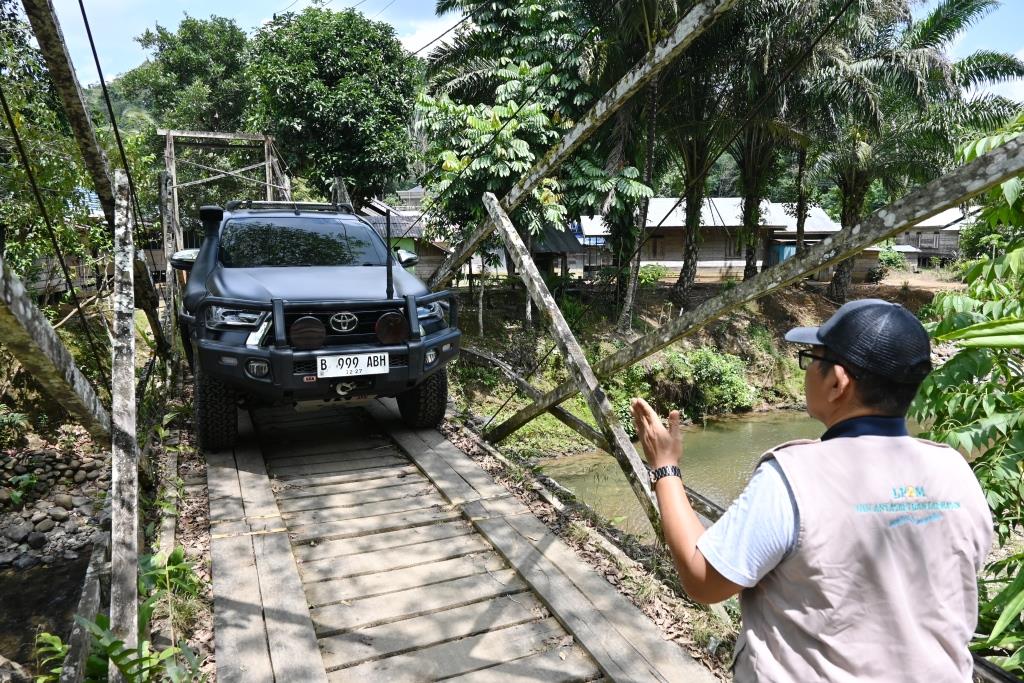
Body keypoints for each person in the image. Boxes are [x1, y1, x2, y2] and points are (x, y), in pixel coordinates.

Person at [630, 298, 993, 682]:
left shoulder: (794, 475)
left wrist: (665, 467)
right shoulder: (954, 470)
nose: (805, 370)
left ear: (837, 382)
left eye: (811, 358)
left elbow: (703, 580)